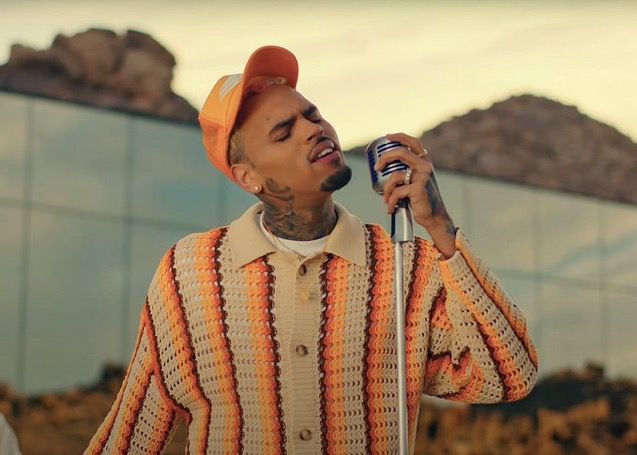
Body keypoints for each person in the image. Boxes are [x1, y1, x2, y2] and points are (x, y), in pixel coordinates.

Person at [85, 45, 538, 455]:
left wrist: (439, 227)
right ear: (248, 178)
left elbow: (507, 375)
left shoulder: (408, 264)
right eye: (284, 132)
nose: (314, 130)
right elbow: (136, 429)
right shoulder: (190, 271)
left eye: (313, 115)